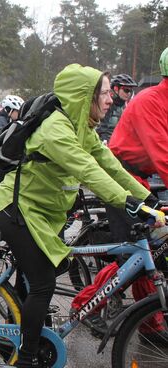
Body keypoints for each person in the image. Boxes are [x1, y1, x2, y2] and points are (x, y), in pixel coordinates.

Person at [0, 64, 152, 367]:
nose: (110, 99)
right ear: (83, 96)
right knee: (43, 284)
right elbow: (87, 169)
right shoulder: (56, 129)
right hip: (17, 209)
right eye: (103, 93)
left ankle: (22, 336)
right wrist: (125, 201)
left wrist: (145, 197)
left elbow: (109, 164)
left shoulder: (82, 127)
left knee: (41, 278)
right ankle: (26, 359)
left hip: (44, 213)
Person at [104, 47, 168, 344]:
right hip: (123, 176)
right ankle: (89, 305)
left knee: (153, 252)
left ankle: (151, 318)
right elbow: (162, 154)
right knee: (137, 255)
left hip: (142, 176)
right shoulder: (150, 101)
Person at [96, 73, 137, 142]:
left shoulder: (127, 106)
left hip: (120, 145)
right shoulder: (107, 105)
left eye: (130, 91)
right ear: (116, 89)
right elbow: (101, 129)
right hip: (106, 145)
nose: (129, 93)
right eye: (126, 90)